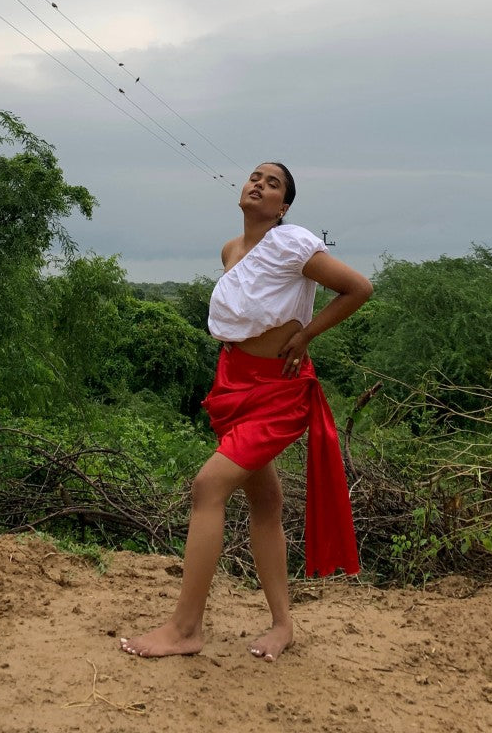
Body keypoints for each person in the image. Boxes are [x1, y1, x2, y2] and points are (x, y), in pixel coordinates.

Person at [120, 161, 372, 661]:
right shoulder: (230, 250)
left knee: (207, 486)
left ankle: (186, 628)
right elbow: (243, 312)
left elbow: (358, 288)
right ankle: (283, 625)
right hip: (235, 384)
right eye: (255, 176)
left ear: (283, 207)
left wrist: (306, 334)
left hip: (278, 392)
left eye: (273, 183)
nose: (259, 183)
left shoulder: (294, 242)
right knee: (266, 502)